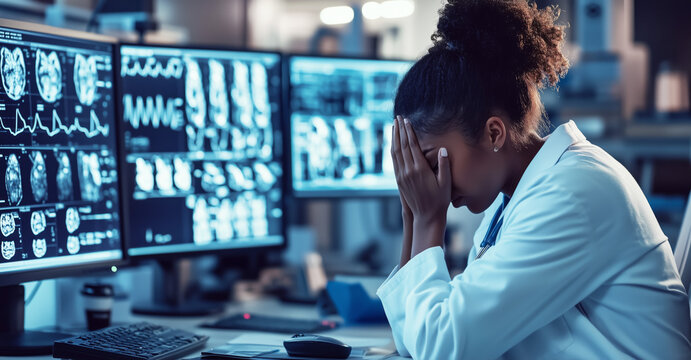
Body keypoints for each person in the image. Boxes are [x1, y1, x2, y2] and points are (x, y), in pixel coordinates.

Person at [376, 1, 691, 359]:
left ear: (494, 134)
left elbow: (441, 348)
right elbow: (414, 341)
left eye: (430, 163)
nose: (430, 184)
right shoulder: (512, 203)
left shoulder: (571, 193)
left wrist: (429, 219)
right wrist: (413, 217)